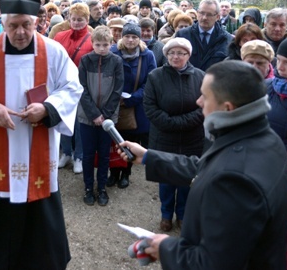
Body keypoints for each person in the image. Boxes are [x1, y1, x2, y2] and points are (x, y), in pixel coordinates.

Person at [0, 0, 82, 270]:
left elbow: (72, 88)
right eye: (13, 25)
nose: (21, 32)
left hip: (39, 149)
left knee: (39, 218)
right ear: (2, 20)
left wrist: (48, 109)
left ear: (37, 22)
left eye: (27, 24)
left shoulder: (54, 52)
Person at [120, 60, 287, 269]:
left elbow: (214, 263)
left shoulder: (235, 179)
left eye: (205, 96)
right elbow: (207, 169)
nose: (199, 101)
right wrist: (149, 157)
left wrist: (164, 247)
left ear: (227, 108)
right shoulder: (264, 137)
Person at [143, 37, 204, 232]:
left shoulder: (200, 77)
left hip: (191, 138)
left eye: (181, 53)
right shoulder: (155, 76)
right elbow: (150, 108)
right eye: (171, 53)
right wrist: (171, 124)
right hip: (164, 136)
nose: (176, 56)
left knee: (187, 178)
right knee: (167, 180)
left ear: (188, 55)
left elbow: (204, 108)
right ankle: (166, 214)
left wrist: (181, 123)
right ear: (166, 54)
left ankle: (183, 214)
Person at [77, 26, 124, 207]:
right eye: (98, 44)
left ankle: (102, 187)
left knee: (104, 154)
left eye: (106, 44)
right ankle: (89, 187)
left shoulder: (116, 62)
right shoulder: (85, 60)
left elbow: (117, 89)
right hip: (87, 117)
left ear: (111, 43)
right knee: (88, 154)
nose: (102, 48)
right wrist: (94, 114)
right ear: (92, 44)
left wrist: (104, 115)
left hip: (108, 118)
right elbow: (82, 89)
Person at [108, 22, 156, 188]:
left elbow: (150, 82)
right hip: (114, 104)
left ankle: (126, 173)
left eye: (134, 37)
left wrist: (131, 99)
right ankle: (113, 173)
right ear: (122, 37)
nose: (130, 40)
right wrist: (116, 97)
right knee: (114, 142)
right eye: (127, 36)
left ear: (139, 38)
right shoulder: (113, 52)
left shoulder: (147, 55)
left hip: (137, 106)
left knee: (131, 141)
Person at [54, 3, 95, 173]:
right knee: (62, 119)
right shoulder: (59, 37)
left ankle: (79, 155)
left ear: (87, 20)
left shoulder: (92, 39)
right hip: (62, 86)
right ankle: (66, 153)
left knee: (79, 123)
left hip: (82, 87)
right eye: (74, 19)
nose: (77, 22)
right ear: (68, 19)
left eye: (81, 19)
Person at [175, 0, 232, 71]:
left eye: (209, 14)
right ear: (197, 13)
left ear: (217, 17)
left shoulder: (227, 40)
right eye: (202, 13)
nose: (204, 17)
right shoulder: (182, 35)